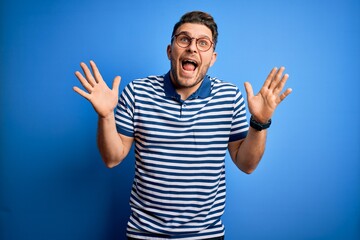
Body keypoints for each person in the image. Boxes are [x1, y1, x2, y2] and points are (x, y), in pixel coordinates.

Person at [73, 11, 292, 240]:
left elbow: (247, 164)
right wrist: (106, 115)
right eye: (184, 39)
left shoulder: (229, 97)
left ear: (213, 58)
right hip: (144, 234)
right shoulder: (137, 92)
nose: (192, 48)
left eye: (203, 43)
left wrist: (259, 122)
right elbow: (112, 158)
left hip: (206, 235)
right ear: (170, 50)